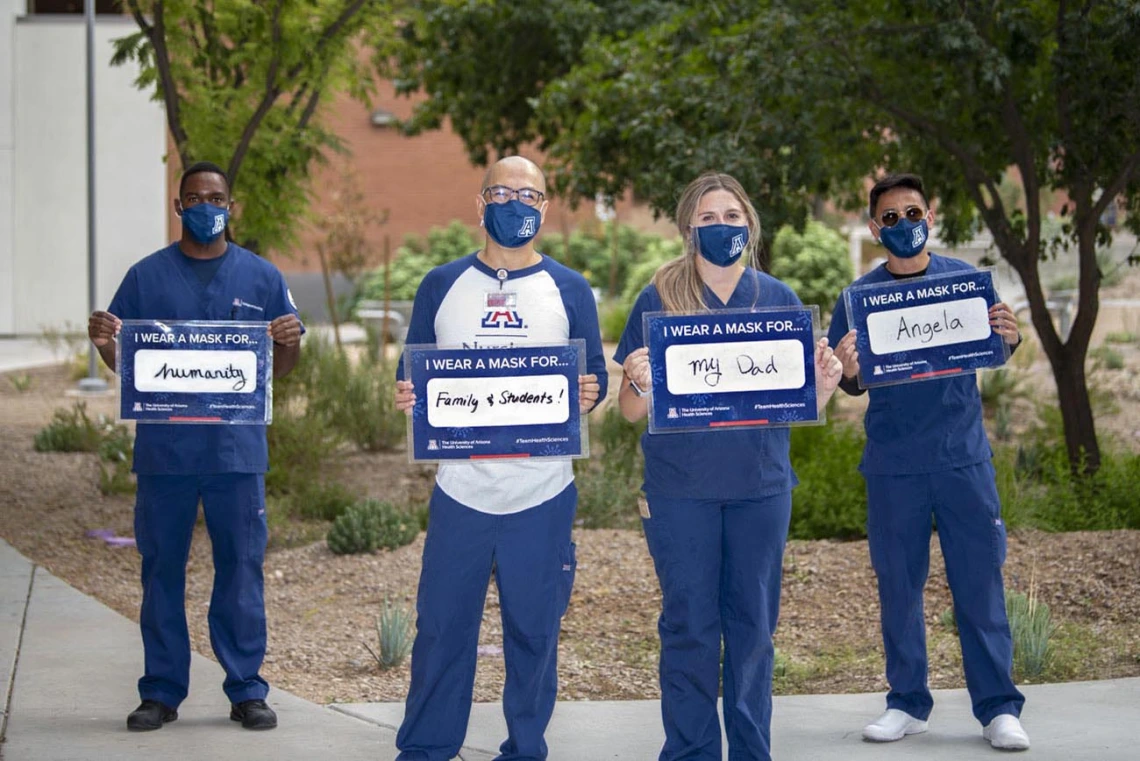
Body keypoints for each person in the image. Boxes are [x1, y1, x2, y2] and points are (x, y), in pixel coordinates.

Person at [614, 172, 843, 761]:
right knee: (689, 627)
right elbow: (630, 411)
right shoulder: (657, 297)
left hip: (759, 491)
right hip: (680, 493)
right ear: (689, 228)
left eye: (733, 218)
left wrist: (823, 386)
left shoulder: (780, 300)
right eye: (709, 219)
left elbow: (800, 405)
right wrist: (639, 378)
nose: (722, 228)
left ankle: (750, 751)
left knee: (752, 633)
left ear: (750, 226)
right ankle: (690, 752)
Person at [392, 156, 607, 761]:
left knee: (534, 632)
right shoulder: (441, 284)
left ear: (545, 207)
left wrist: (591, 393)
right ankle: (428, 748)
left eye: (530, 195)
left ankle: (527, 747)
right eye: (504, 192)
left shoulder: (569, 288)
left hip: (542, 492)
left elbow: (590, 379)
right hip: (461, 490)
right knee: (440, 630)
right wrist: (407, 391)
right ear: (479, 202)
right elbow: (412, 371)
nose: (518, 203)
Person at [87, 161, 303, 732]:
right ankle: (160, 692)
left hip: (236, 456)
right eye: (194, 197)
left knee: (241, 570)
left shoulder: (261, 277)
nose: (206, 206)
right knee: (161, 571)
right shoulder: (145, 277)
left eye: (216, 197)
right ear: (178, 206)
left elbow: (281, 365)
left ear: (230, 207)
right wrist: (106, 343)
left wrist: (288, 341)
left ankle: (246, 689)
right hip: (166, 457)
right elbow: (129, 366)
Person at [827, 173, 1029, 751]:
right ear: (874, 229)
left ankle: (997, 709)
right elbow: (852, 383)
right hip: (893, 467)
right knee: (899, 589)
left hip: (963, 461)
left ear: (930, 217)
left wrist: (1009, 337)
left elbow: (997, 345)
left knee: (979, 584)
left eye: (912, 213)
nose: (904, 225)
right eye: (890, 218)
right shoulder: (856, 300)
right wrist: (848, 367)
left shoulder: (966, 286)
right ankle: (907, 703)